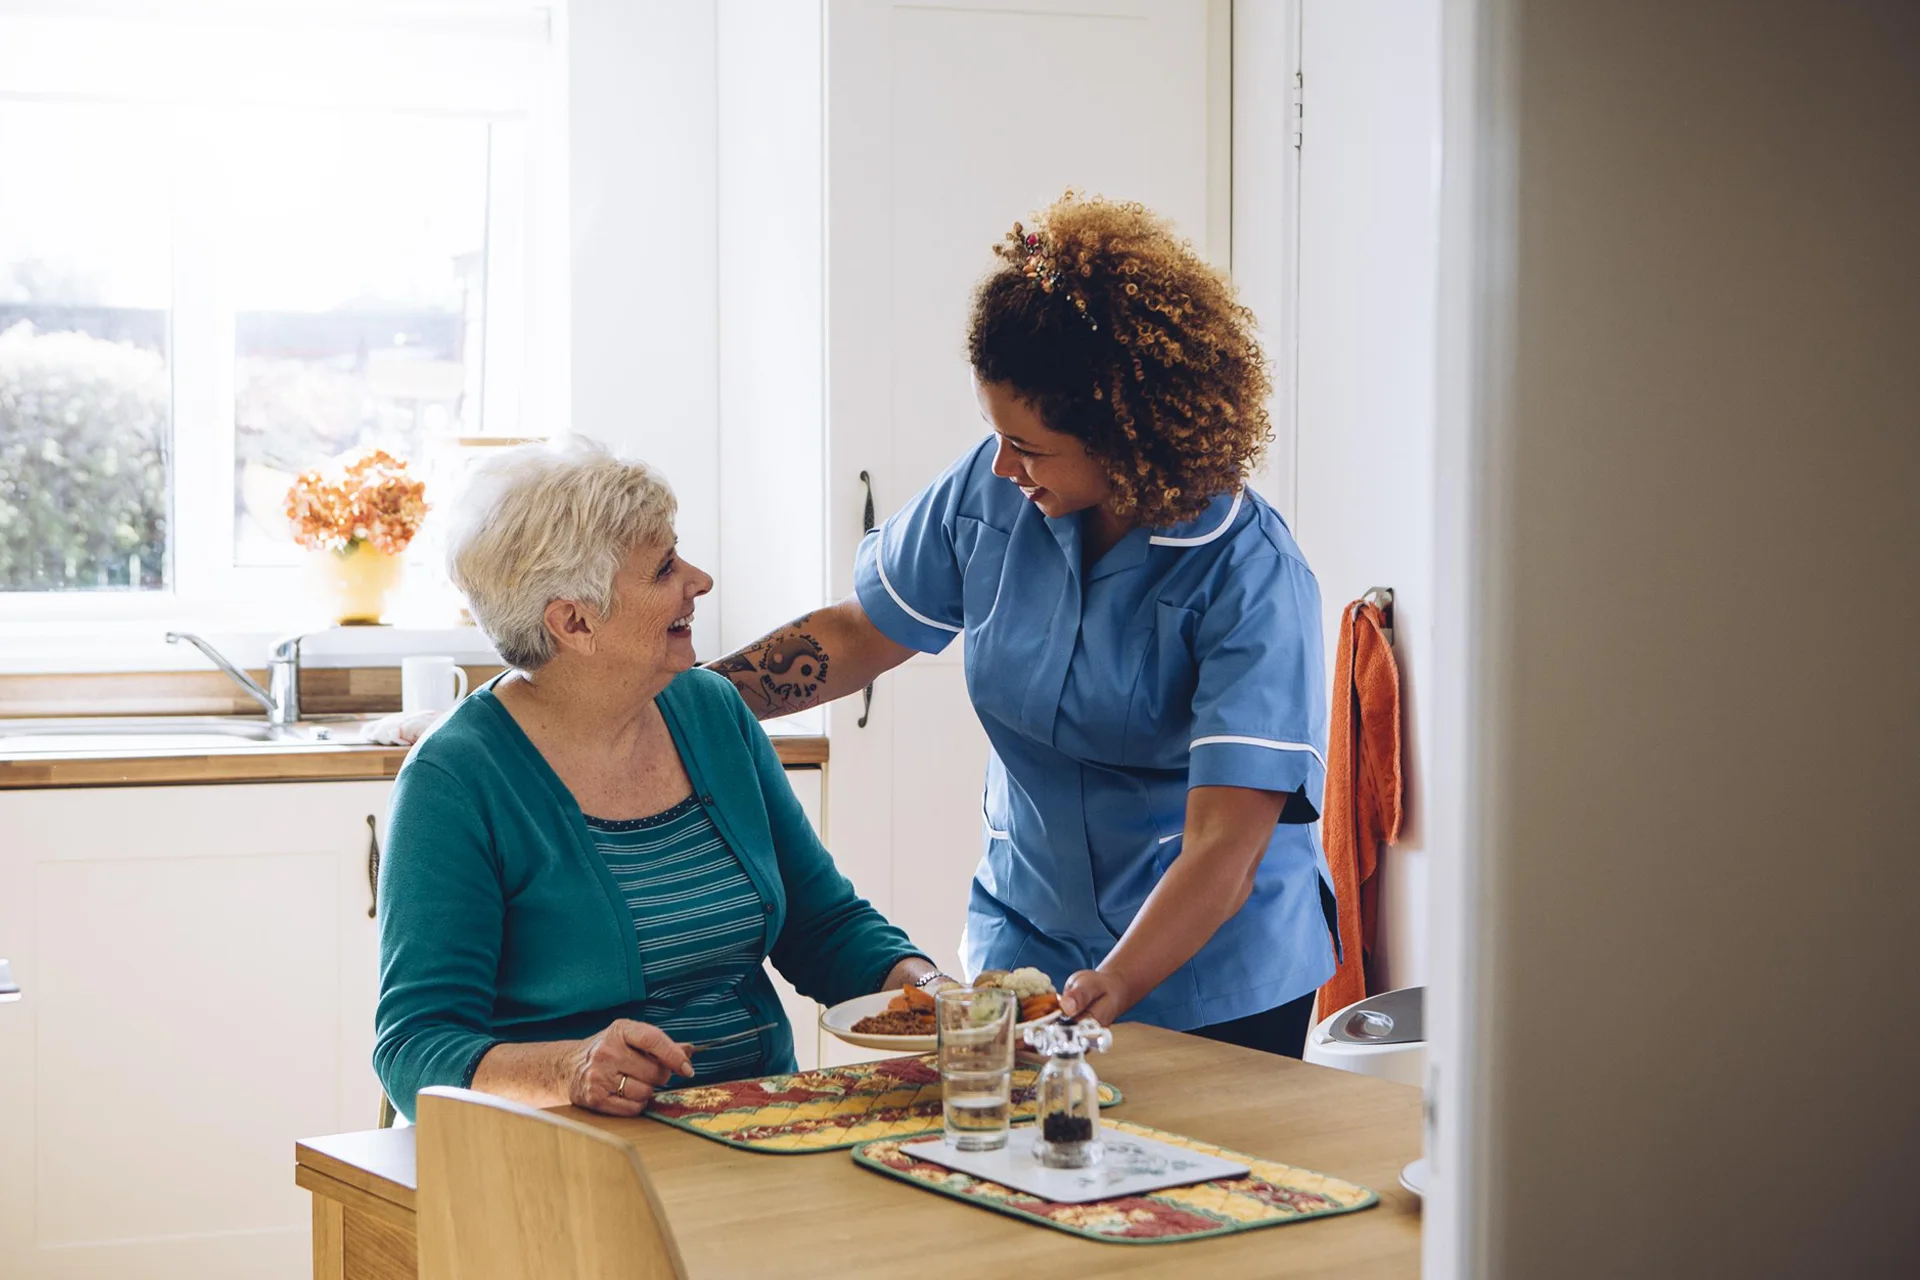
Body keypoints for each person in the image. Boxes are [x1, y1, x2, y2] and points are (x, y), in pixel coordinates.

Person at [710, 192, 1338, 1057]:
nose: (1004, 465)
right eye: (994, 434)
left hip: (1209, 976)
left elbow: (1226, 844)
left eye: (1032, 448)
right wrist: (688, 703)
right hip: (1029, 943)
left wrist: (1116, 982)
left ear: (1126, 435)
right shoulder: (993, 489)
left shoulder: (1251, 575)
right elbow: (859, 634)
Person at [373, 440, 938, 1121]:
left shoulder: (711, 711)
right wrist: (571, 1068)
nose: (698, 581)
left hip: (755, 1127)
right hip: (568, 1156)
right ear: (574, 621)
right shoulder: (456, 778)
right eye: (665, 568)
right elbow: (414, 1047)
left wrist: (928, 989)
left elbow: (822, 926)